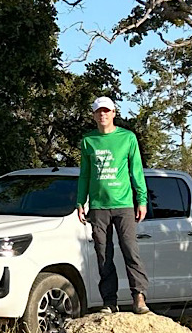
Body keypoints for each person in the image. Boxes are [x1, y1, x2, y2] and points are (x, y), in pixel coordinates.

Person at [75, 96, 150, 314]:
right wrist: (81, 201)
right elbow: (85, 175)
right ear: (94, 115)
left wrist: (141, 199)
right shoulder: (88, 140)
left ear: (114, 113)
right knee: (103, 255)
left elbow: (136, 170)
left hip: (123, 204)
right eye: (99, 111)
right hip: (98, 207)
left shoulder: (127, 138)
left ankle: (139, 297)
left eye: (107, 111)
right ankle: (109, 301)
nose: (103, 115)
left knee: (130, 250)